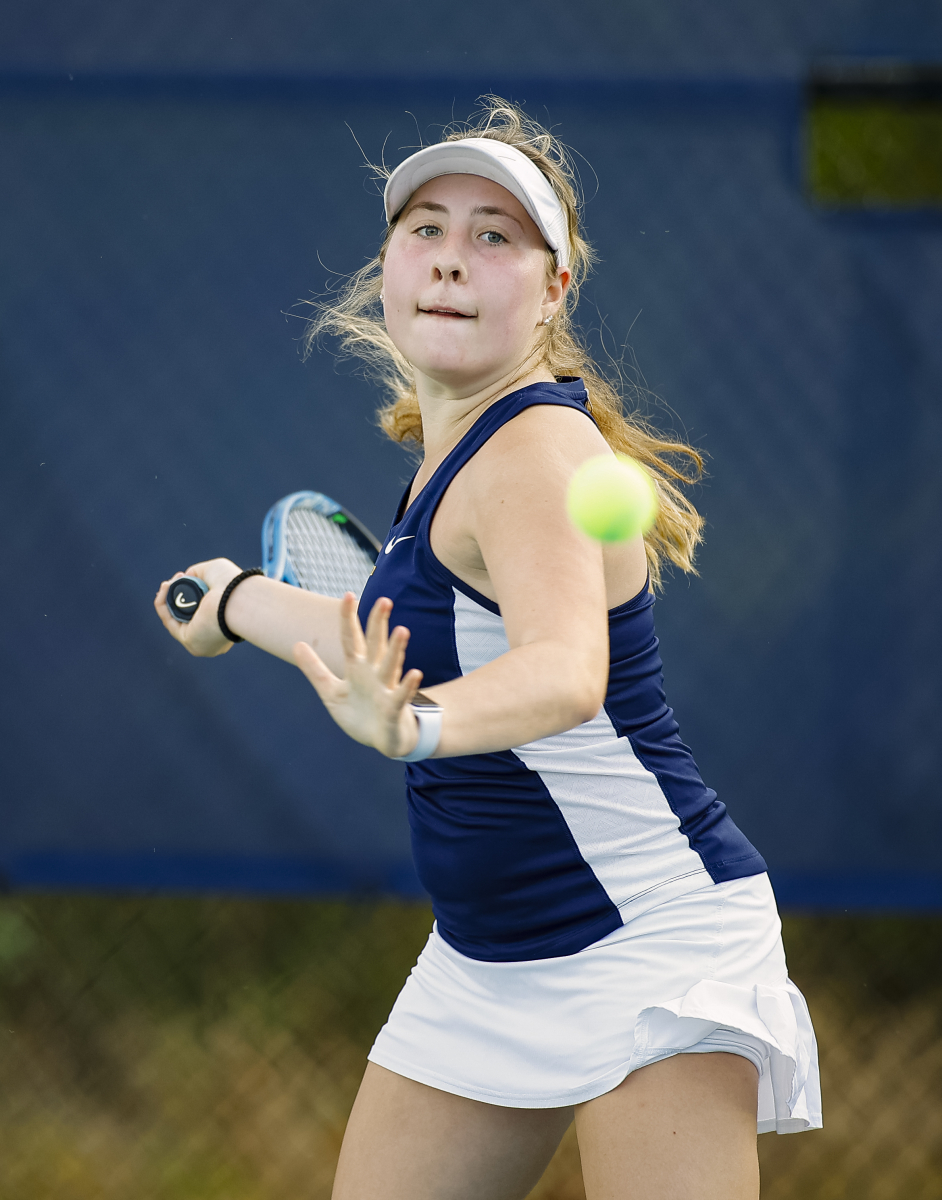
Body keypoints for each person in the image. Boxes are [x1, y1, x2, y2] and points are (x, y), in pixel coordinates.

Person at [155, 98, 821, 1200]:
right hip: (487, 963)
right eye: (426, 227)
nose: (452, 260)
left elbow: (565, 672)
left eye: (494, 236)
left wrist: (417, 726)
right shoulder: (447, 459)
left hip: (650, 944)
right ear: (385, 266)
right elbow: (383, 633)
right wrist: (236, 601)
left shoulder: (532, 452)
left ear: (553, 291)